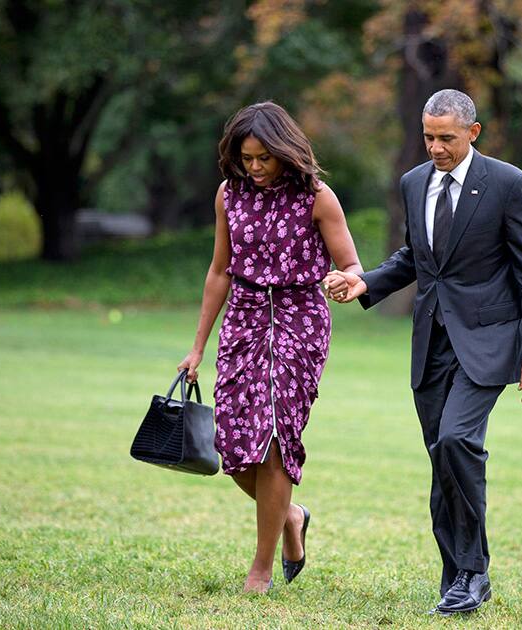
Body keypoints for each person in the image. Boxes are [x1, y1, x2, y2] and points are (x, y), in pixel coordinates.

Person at [324, 89, 522, 615]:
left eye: (446, 138)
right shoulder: (413, 184)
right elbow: (418, 256)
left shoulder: (508, 184)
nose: (435, 148)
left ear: (473, 133)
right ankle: (457, 576)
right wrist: (367, 284)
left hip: (490, 341)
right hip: (430, 343)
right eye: (429, 137)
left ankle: (473, 571)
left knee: (456, 442)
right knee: (441, 459)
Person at [178, 101, 363, 594]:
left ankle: (260, 570)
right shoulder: (228, 194)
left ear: (285, 151)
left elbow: (353, 265)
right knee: (235, 446)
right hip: (243, 318)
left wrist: (345, 282)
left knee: (276, 439)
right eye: (246, 158)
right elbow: (219, 271)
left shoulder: (317, 197)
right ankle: (291, 518)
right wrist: (197, 347)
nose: (255, 167)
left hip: (300, 321)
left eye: (264, 157)